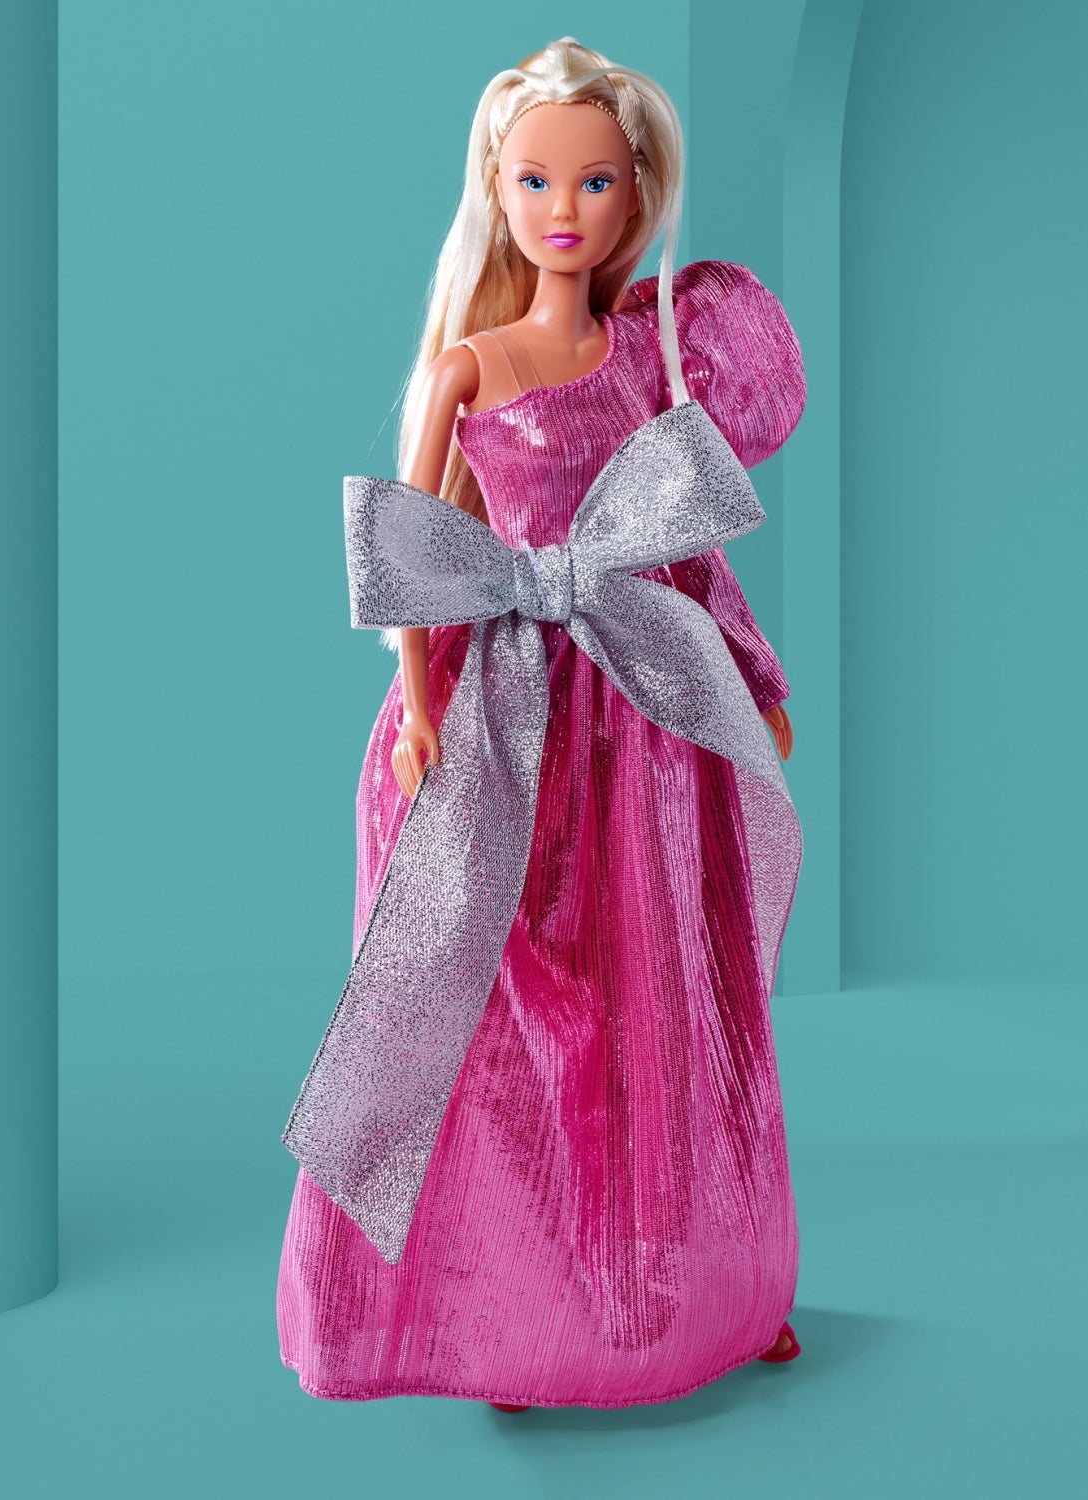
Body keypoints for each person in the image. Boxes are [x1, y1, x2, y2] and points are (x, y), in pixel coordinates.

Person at [277, 36, 806, 1410]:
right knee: (503, 1007)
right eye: (534, 181)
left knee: (658, 1003)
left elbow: (685, 555)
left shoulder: (649, 362)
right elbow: (413, 553)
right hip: (503, 711)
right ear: (495, 190)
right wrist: (416, 708)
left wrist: (752, 680)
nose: (563, 209)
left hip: (636, 725)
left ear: (636, 193)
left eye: (594, 182)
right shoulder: (469, 368)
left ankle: (688, 1290)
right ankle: (505, 1313)